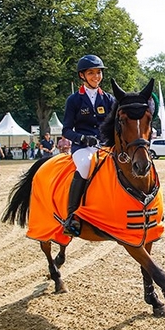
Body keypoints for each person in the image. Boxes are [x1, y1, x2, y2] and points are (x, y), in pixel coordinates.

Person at [61, 54, 116, 236]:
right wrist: (82, 138)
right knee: (85, 166)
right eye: (91, 73)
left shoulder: (108, 99)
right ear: (82, 76)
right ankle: (72, 216)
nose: (96, 76)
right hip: (83, 147)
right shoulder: (74, 100)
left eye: (99, 72)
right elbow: (66, 130)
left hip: (105, 146)